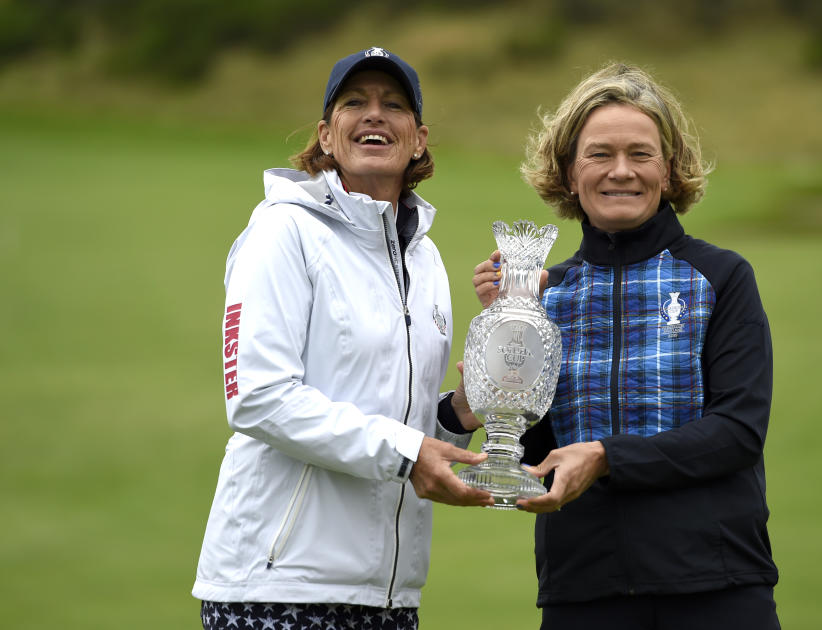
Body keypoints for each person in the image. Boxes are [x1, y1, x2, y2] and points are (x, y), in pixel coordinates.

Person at [192, 46, 493, 630]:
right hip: (276, 586)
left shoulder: (423, 257)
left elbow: (395, 420)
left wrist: (460, 412)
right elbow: (259, 396)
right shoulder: (282, 230)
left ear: (420, 137)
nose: (374, 114)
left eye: (393, 105)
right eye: (354, 103)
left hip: (389, 593)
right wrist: (408, 455)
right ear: (327, 136)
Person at [471, 62, 780, 629]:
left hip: (717, 587)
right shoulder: (543, 295)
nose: (621, 172)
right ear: (568, 172)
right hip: (584, 591)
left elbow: (737, 432)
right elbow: (535, 452)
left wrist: (607, 457)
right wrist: (505, 340)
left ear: (669, 170)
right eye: (599, 154)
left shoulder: (721, 277)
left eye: (641, 154)